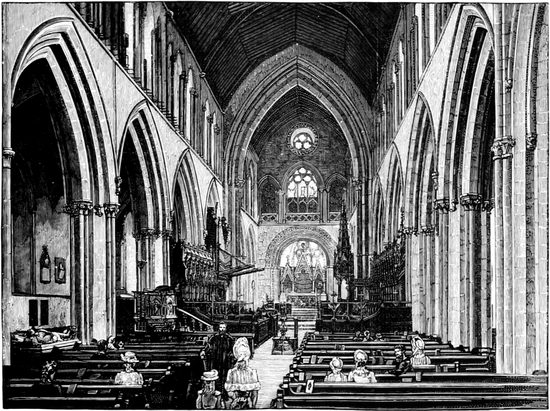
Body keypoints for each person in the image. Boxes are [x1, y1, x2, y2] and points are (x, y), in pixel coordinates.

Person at [225, 337, 260, 409]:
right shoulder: (231, 372)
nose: (242, 364)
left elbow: (255, 392)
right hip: (235, 399)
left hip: (247, 399)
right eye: (240, 361)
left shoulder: (252, 372)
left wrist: (251, 403)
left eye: (244, 361)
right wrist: (235, 398)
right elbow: (229, 390)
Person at [202, 322, 235, 394]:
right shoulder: (213, 338)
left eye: (223, 328)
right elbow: (208, 346)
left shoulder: (230, 339)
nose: (222, 329)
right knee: (216, 376)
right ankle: (217, 392)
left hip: (226, 361)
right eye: (221, 327)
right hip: (216, 360)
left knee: (225, 377)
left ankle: (224, 393)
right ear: (218, 328)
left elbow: (233, 350)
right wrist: (204, 351)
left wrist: (231, 355)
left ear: (226, 329)